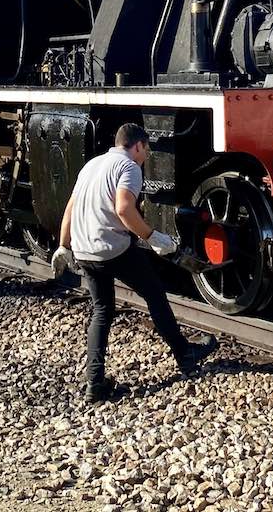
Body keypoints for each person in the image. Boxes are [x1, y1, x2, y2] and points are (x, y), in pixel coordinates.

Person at [53, 123, 217, 402]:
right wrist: (152, 236)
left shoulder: (93, 164)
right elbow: (123, 208)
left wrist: (63, 245)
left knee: (102, 310)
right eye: (147, 150)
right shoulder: (129, 167)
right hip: (110, 249)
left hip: (83, 250)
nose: (147, 156)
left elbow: (71, 205)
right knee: (154, 293)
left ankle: (94, 383)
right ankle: (184, 353)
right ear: (137, 145)